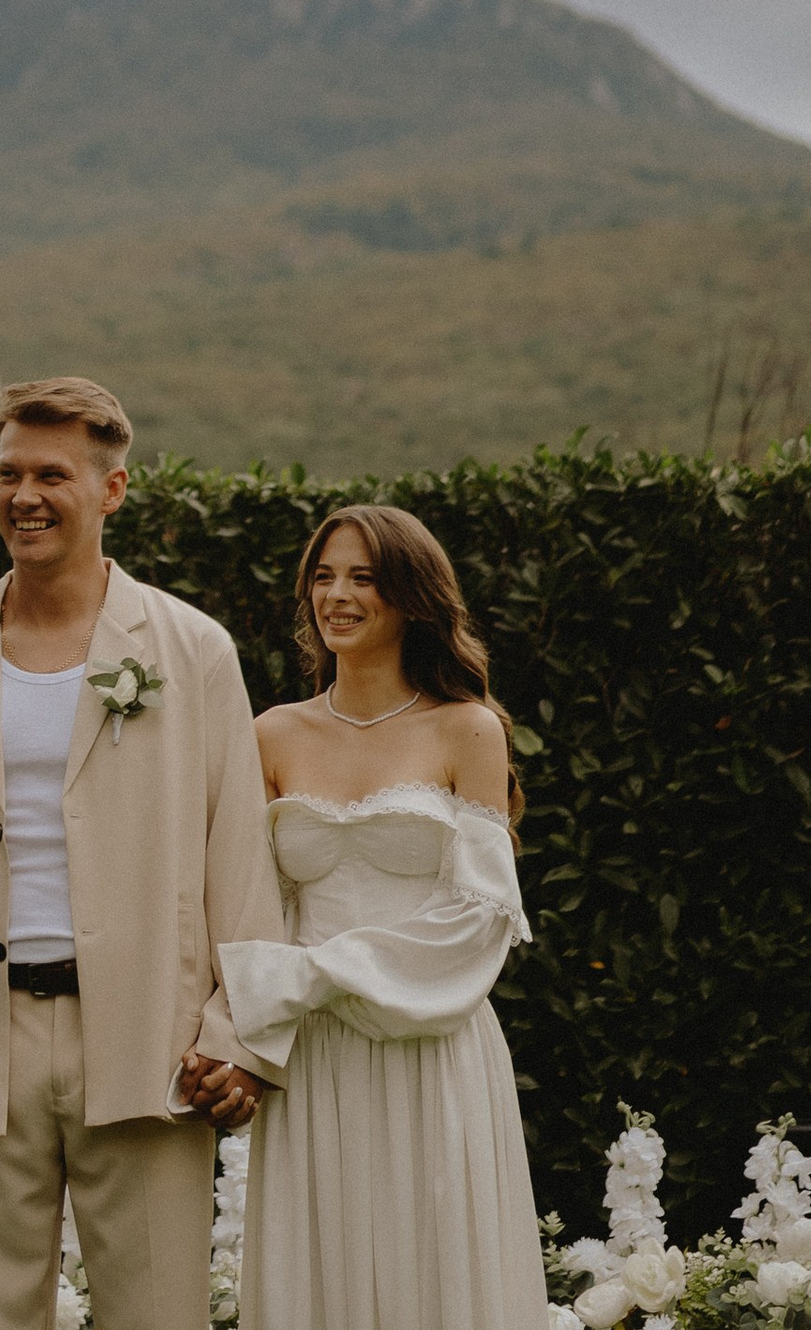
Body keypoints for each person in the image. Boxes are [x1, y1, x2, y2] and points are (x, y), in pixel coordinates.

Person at [0, 376, 286, 1330]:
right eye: (9, 473)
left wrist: (237, 1038)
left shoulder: (193, 650)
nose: (25, 496)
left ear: (112, 490)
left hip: (153, 1041)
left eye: (52, 473)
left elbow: (239, 860)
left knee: (158, 1316)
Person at [221, 501, 543, 1330]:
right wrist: (240, 1034)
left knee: (435, 1275)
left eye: (363, 577)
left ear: (410, 597)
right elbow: (249, 907)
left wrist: (304, 976)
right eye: (323, 577)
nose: (338, 594)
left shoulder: (467, 729)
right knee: (313, 1278)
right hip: (313, 1057)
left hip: (432, 1046)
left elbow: (479, 916)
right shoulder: (268, 735)